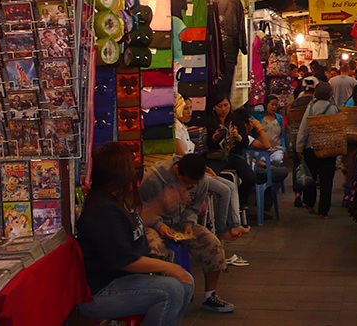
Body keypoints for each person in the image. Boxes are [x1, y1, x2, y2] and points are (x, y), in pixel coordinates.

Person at [76, 143, 194, 325]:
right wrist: (169, 268)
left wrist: (160, 205)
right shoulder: (103, 210)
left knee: (186, 284)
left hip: (121, 280)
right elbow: (126, 261)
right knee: (172, 290)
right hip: (102, 291)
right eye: (131, 165)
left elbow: (134, 223)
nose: (136, 170)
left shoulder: (115, 201)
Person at [139, 154, 235, 313]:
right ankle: (159, 298)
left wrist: (188, 224)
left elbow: (194, 208)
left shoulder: (201, 181)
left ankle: (210, 296)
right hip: (153, 223)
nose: (187, 187)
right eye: (185, 182)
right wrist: (159, 225)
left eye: (191, 185)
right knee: (155, 248)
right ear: (177, 170)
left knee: (212, 244)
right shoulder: (154, 177)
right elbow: (142, 208)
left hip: (180, 222)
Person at [173, 94, 249, 246]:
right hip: (189, 173)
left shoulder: (184, 128)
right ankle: (221, 230)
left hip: (199, 167)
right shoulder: (175, 130)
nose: (189, 112)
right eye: (185, 108)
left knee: (230, 185)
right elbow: (184, 158)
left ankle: (234, 224)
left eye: (190, 108)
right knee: (224, 190)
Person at [296, 81, 339, 217]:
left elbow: (303, 129)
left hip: (311, 148)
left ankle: (309, 203)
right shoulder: (333, 109)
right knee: (327, 180)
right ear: (330, 93)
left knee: (311, 177)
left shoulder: (311, 108)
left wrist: (299, 148)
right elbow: (338, 131)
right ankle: (323, 211)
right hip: (328, 149)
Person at [207, 96, 256, 207]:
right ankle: (218, 205)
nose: (223, 109)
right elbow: (207, 144)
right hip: (216, 156)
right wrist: (214, 139)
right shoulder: (209, 121)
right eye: (220, 106)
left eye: (226, 105)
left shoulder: (236, 121)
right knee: (212, 177)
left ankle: (240, 203)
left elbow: (245, 142)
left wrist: (238, 138)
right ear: (214, 107)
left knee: (250, 178)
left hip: (233, 156)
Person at [256, 95, 286, 166]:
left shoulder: (279, 118)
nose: (274, 107)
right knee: (262, 160)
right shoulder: (259, 117)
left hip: (276, 149)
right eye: (272, 105)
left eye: (276, 105)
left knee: (277, 160)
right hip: (261, 149)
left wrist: (284, 148)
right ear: (266, 105)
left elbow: (281, 135)